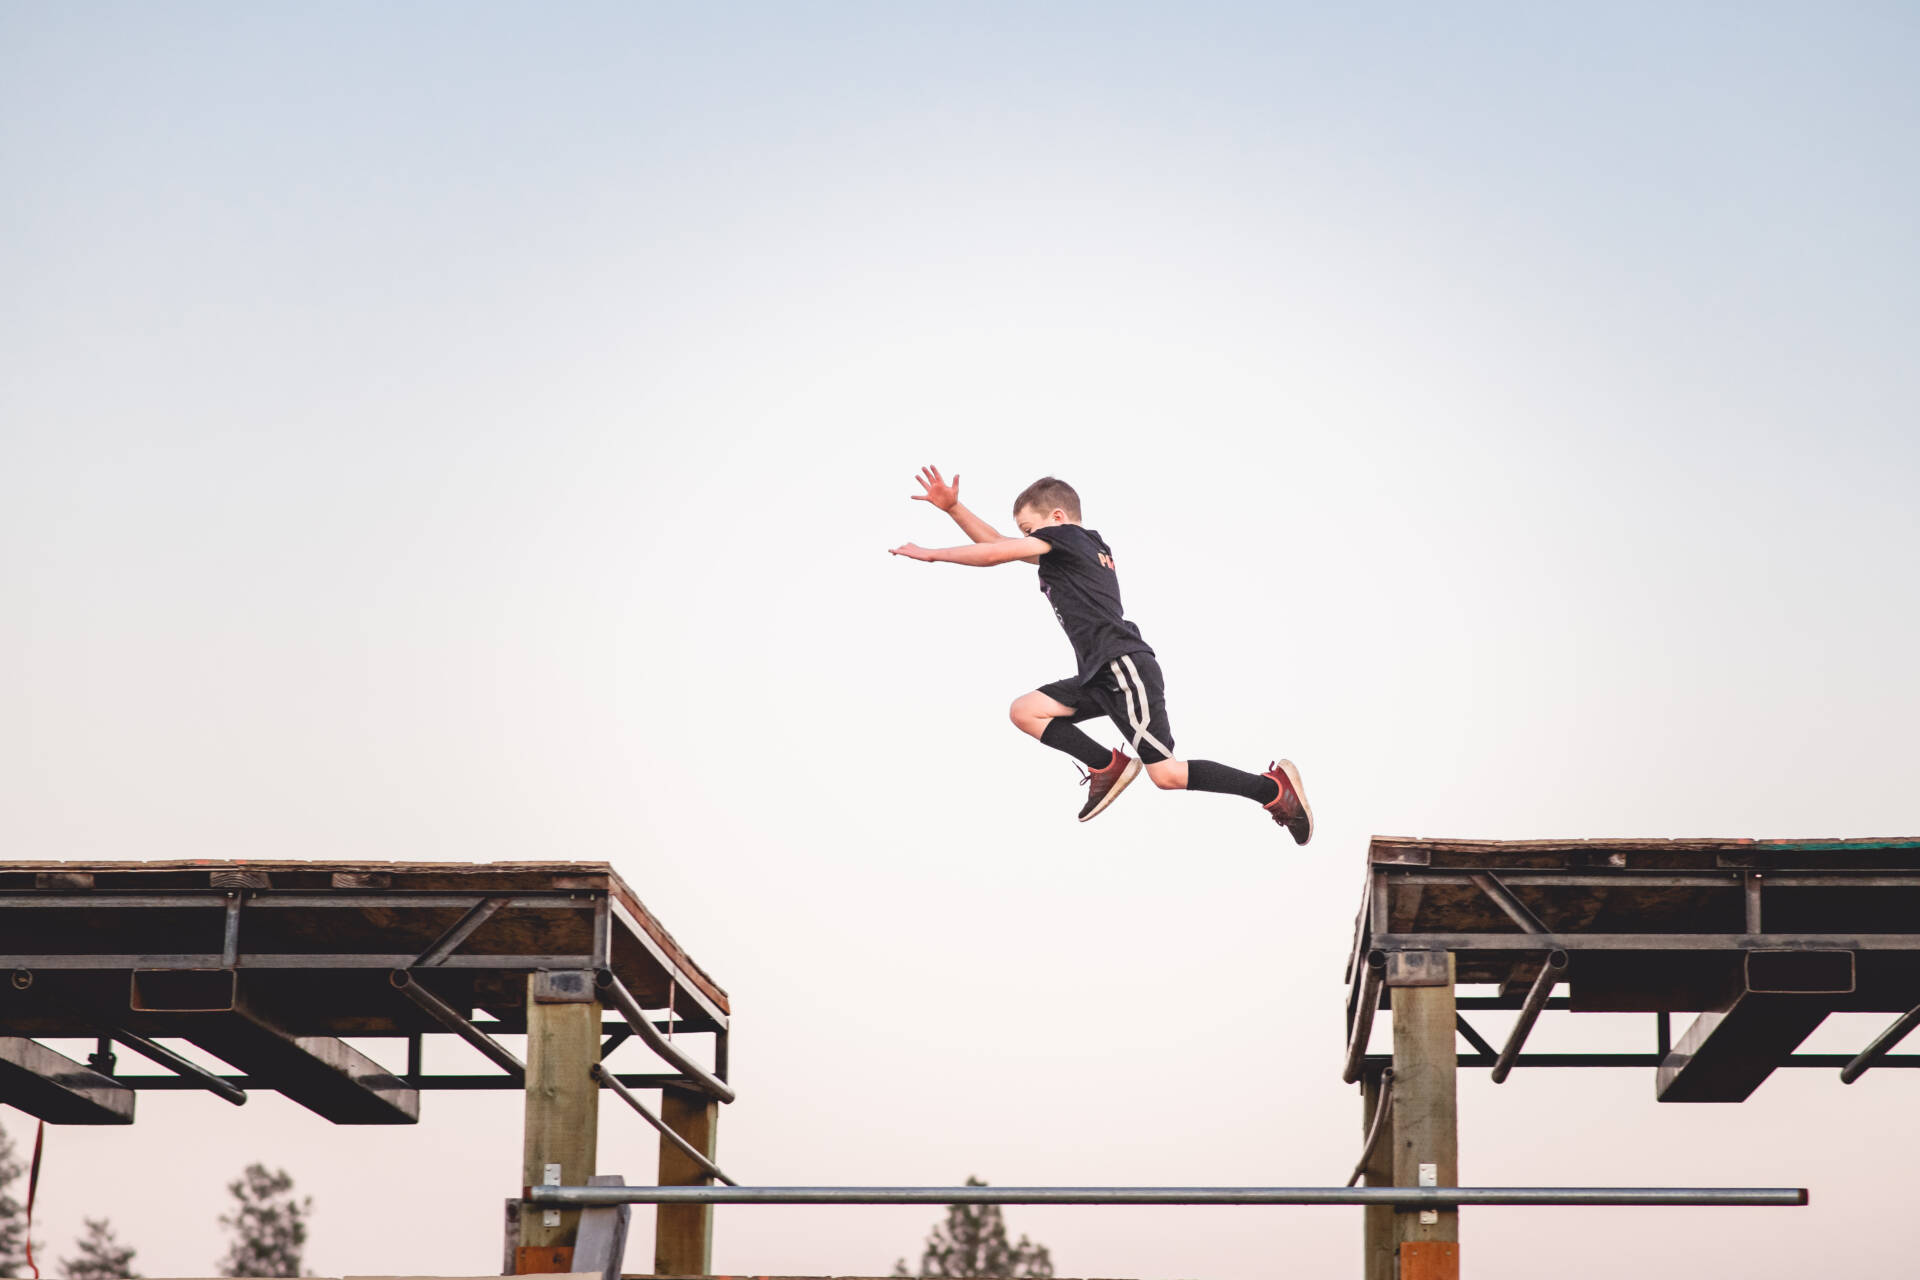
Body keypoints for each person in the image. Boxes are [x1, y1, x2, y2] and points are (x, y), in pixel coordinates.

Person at [889, 466, 1312, 842]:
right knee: (1026, 710)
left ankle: (1272, 789)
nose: (1026, 540)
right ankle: (1107, 765)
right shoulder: (1069, 548)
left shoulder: (1069, 538)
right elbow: (1000, 545)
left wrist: (933, 554)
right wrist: (954, 509)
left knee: (1165, 775)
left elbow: (996, 552)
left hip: (1123, 666)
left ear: (1055, 519)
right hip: (1100, 673)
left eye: (1028, 529)